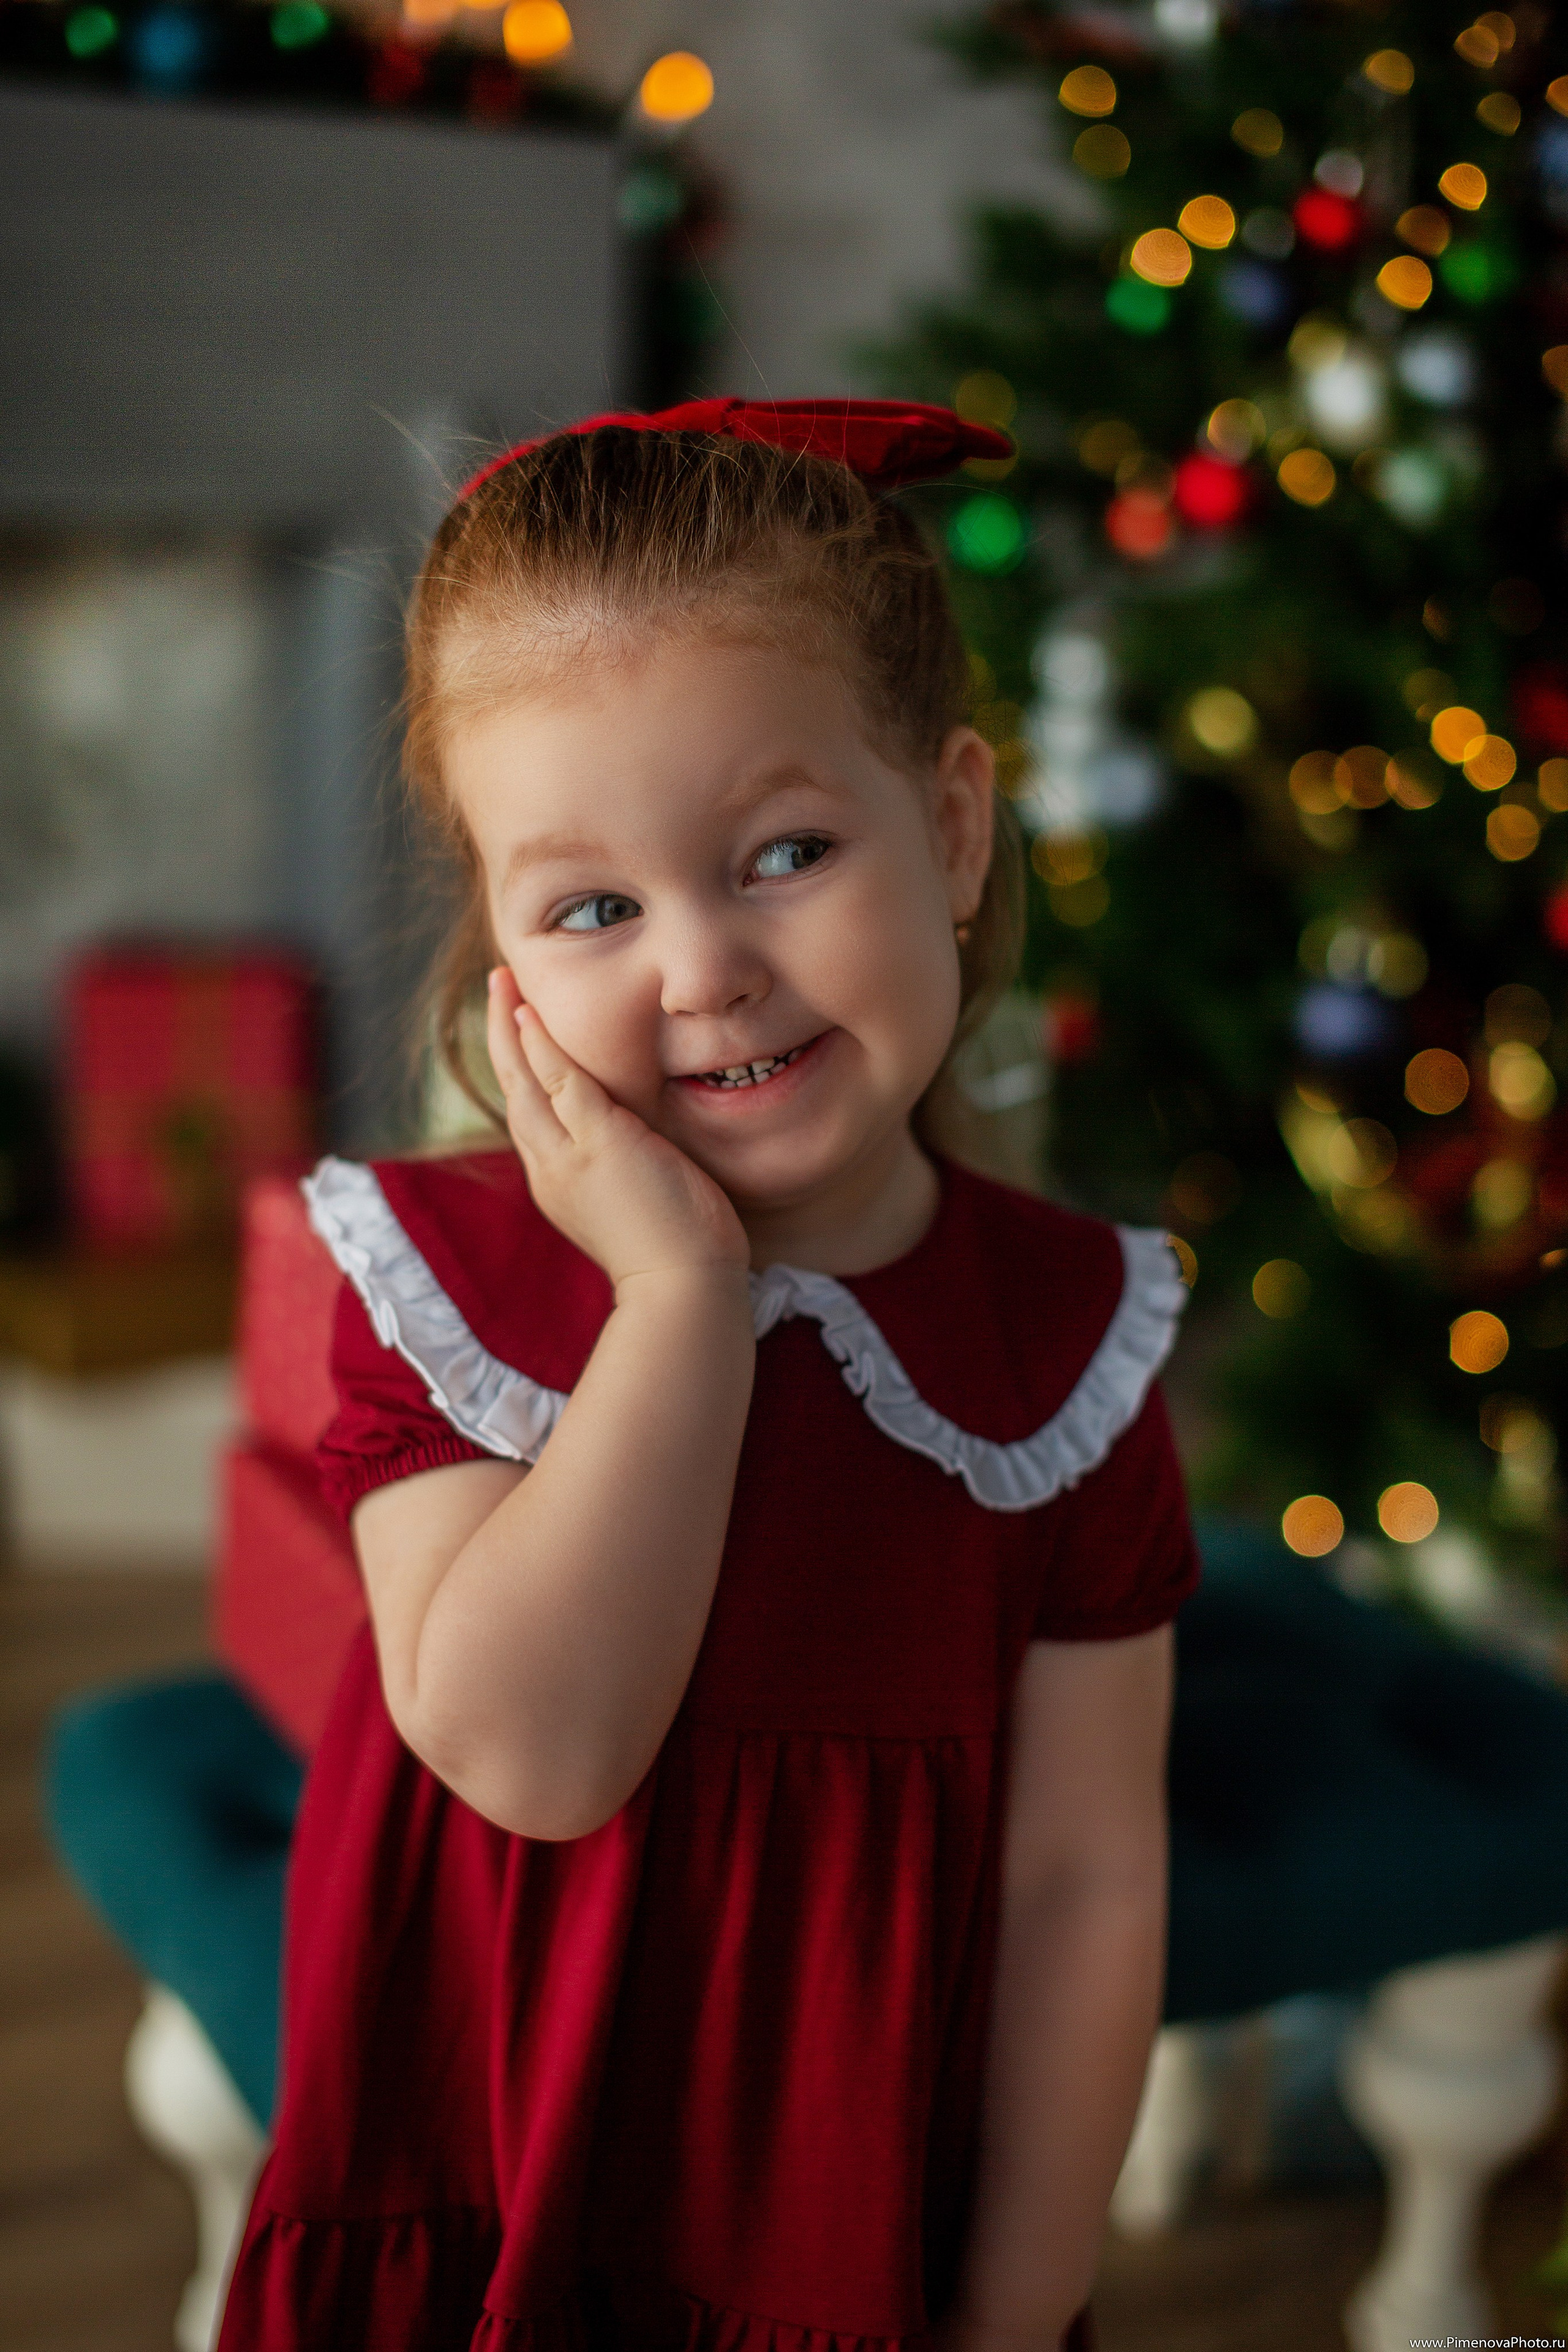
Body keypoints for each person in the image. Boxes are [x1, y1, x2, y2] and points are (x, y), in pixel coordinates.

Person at [216, 399, 1199, 2352]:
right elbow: (534, 1752)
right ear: (499, 956)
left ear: (953, 821)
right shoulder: (437, 1284)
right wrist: (676, 1304)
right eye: (593, 907)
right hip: (501, 2180)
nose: (702, 968)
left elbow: (1088, 1879)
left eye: (783, 853)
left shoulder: (1074, 1344)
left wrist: (1012, 2306)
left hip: (860, 2220)